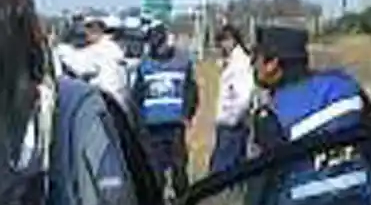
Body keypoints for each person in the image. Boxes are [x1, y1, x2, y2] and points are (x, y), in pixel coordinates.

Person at [241, 25, 371, 205]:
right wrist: (370, 200)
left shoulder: (271, 114)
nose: (252, 65)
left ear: (273, 64)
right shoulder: (346, 88)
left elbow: (262, 182)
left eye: (255, 59)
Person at [130, 23, 199, 194]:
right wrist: (139, 123)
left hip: (174, 125)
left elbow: (192, 91)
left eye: (159, 43)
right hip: (151, 127)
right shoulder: (144, 65)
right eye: (153, 44)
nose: (157, 48)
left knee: (179, 171)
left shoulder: (182, 62)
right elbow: (136, 97)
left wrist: (187, 114)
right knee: (155, 173)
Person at [208, 24, 255, 175]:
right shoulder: (232, 60)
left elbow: (244, 95)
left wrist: (232, 119)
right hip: (229, 121)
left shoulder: (240, 63)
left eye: (225, 40)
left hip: (233, 123)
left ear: (233, 40)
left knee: (221, 170)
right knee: (235, 168)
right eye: (220, 41)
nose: (222, 45)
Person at [55, 15, 131, 105]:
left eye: (94, 28)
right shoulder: (106, 47)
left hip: (107, 99)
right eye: (88, 27)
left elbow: (81, 68)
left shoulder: (104, 48)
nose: (89, 32)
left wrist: (60, 51)